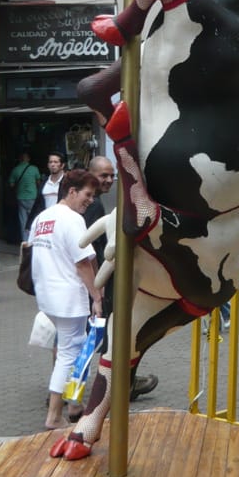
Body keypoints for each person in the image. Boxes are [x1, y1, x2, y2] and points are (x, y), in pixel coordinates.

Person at [30, 169, 103, 430]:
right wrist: (97, 296)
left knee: (76, 349)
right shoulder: (72, 220)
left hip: (47, 296)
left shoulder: (42, 218)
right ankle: (54, 415)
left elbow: (33, 253)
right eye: (87, 195)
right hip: (68, 297)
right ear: (72, 191)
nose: (90, 200)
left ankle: (74, 404)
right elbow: (83, 262)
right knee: (69, 354)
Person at [84, 155, 159, 401]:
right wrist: (97, 290)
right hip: (100, 280)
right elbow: (89, 251)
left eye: (111, 175)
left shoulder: (96, 200)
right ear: (91, 174)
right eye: (103, 175)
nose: (108, 180)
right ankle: (116, 385)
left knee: (93, 334)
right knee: (110, 334)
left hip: (100, 279)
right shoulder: (92, 204)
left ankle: (73, 385)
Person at [26, 152, 67, 232]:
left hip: (61, 222)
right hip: (45, 223)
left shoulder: (67, 183)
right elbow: (37, 204)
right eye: (50, 162)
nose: (53, 164)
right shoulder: (44, 183)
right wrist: (30, 224)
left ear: (62, 165)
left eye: (56, 162)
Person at [9, 151, 41, 238]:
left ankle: (25, 240)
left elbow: (11, 185)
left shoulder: (15, 170)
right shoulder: (34, 169)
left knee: (23, 220)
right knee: (33, 219)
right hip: (32, 197)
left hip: (21, 197)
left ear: (20, 159)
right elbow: (39, 183)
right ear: (28, 159)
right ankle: (34, 239)